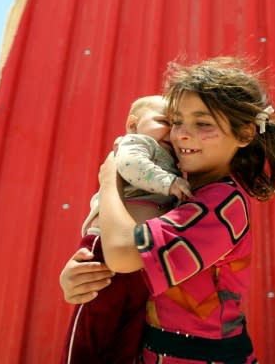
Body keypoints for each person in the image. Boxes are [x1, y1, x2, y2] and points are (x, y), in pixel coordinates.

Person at [60, 57, 275, 363]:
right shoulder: (182, 193)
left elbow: (125, 253)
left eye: (202, 123)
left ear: (245, 134)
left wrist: (110, 177)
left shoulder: (220, 204)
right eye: (176, 121)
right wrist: (85, 275)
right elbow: (127, 262)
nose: (180, 134)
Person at [62, 95, 191, 364]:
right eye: (163, 121)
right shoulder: (137, 143)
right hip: (105, 247)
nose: (172, 130)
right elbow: (131, 166)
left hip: (141, 258)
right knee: (94, 321)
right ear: (133, 124)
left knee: (128, 333)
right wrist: (169, 182)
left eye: (177, 124)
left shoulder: (175, 161)